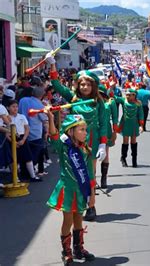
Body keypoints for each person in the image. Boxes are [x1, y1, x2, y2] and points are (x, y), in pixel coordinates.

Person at [47, 54, 107, 222]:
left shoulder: (98, 101)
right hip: (72, 143)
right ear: (78, 85)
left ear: (93, 85)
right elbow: (57, 85)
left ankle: (91, 206)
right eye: (82, 84)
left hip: (91, 142)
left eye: (88, 84)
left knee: (90, 174)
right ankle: (74, 203)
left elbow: (103, 123)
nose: (85, 86)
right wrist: (52, 64)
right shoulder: (72, 99)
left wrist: (102, 145)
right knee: (73, 173)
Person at [45, 113, 96, 265]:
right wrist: (50, 116)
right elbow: (54, 135)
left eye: (85, 129)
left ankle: (78, 248)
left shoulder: (86, 149)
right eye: (81, 129)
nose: (85, 133)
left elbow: (90, 174)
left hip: (81, 190)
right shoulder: (63, 146)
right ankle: (66, 252)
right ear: (70, 131)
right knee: (68, 220)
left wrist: (92, 194)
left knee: (79, 219)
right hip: (67, 190)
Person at [7, 100, 40, 182]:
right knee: (14, 160)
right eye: (13, 106)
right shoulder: (7, 118)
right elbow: (6, 133)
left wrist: (24, 139)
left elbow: (27, 128)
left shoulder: (22, 116)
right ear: (8, 108)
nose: (15, 108)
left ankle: (33, 176)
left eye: (16, 106)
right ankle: (16, 178)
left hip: (22, 137)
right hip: (11, 138)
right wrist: (13, 142)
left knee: (28, 157)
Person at [116, 89, 144, 168]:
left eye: (129, 95)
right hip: (125, 124)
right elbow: (113, 97)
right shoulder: (124, 101)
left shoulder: (138, 104)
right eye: (127, 94)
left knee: (133, 141)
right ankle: (123, 158)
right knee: (125, 141)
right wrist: (111, 88)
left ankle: (134, 160)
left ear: (134, 95)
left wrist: (141, 125)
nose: (127, 96)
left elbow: (141, 114)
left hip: (134, 124)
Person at [99, 86, 118, 188]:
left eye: (100, 93)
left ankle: (103, 178)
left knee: (105, 154)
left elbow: (115, 118)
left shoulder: (110, 103)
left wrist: (115, 132)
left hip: (106, 130)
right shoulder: (92, 102)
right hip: (94, 130)